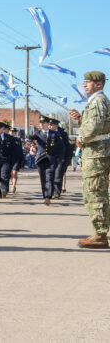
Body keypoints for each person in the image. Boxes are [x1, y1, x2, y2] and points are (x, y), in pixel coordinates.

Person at [69, 71, 110, 248]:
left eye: (88, 82)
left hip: (96, 153)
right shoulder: (97, 101)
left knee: (94, 192)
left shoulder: (98, 101)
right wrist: (80, 119)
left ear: (99, 84)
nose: (85, 85)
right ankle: (101, 231)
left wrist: (81, 138)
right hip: (97, 151)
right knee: (97, 191)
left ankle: (101, 235)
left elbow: (95, 126)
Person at [29, 116, 64, 206]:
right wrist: (31, 139)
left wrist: (59, 158)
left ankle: (48, 197)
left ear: (48, 124)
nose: (41, 124)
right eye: (40, 123)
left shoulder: (55, 134)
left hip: (51, 160)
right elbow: (31, 138)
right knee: (43, 178)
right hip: (41, 159)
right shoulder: (37, 133)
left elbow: (61, 148)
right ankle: (45, 195)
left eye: (43, 123)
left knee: (50, 177)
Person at [0, 122, 17, 198]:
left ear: (3, 129)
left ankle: (4, 189)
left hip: (6, 160)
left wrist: (12, 160)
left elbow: (14, 150)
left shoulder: (9, 138)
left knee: (4, 174)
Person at [52, 120, 71, 199]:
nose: (49, 126)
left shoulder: (63, 134)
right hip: (50, 159)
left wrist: (67, 160)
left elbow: (68, 147)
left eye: (51, 125)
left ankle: (57, 192)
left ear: (56, 125)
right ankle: (51, 190)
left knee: (58, 175)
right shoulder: (47, 133)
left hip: (61, 158)